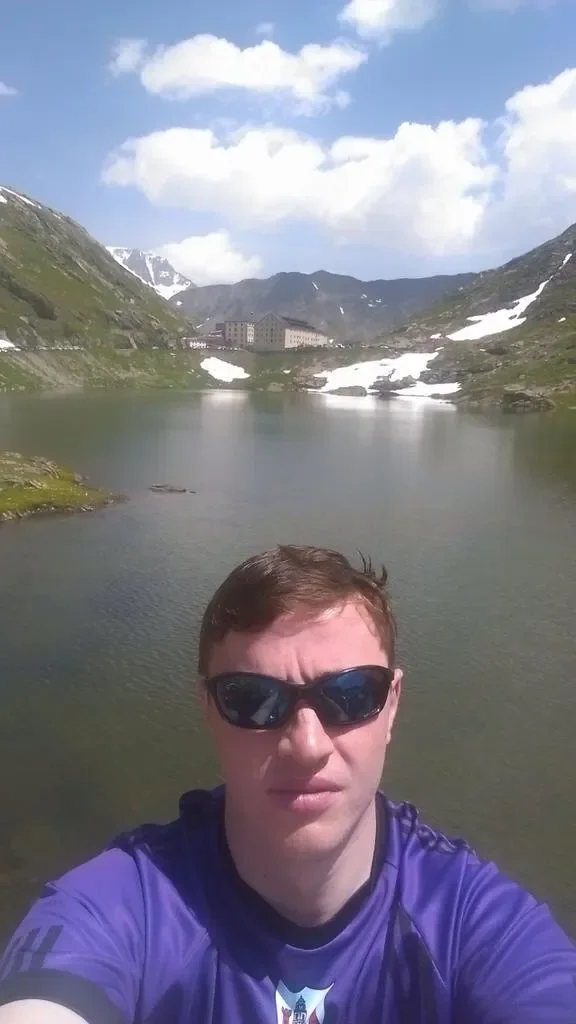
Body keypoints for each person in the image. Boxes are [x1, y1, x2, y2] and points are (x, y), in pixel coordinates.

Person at [0, 545, 575, 1024]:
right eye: (252, 699)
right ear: (207, 708)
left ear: (392, 703)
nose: (308, 744)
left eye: (351, 695)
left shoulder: (471, 922)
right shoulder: (126, 906)